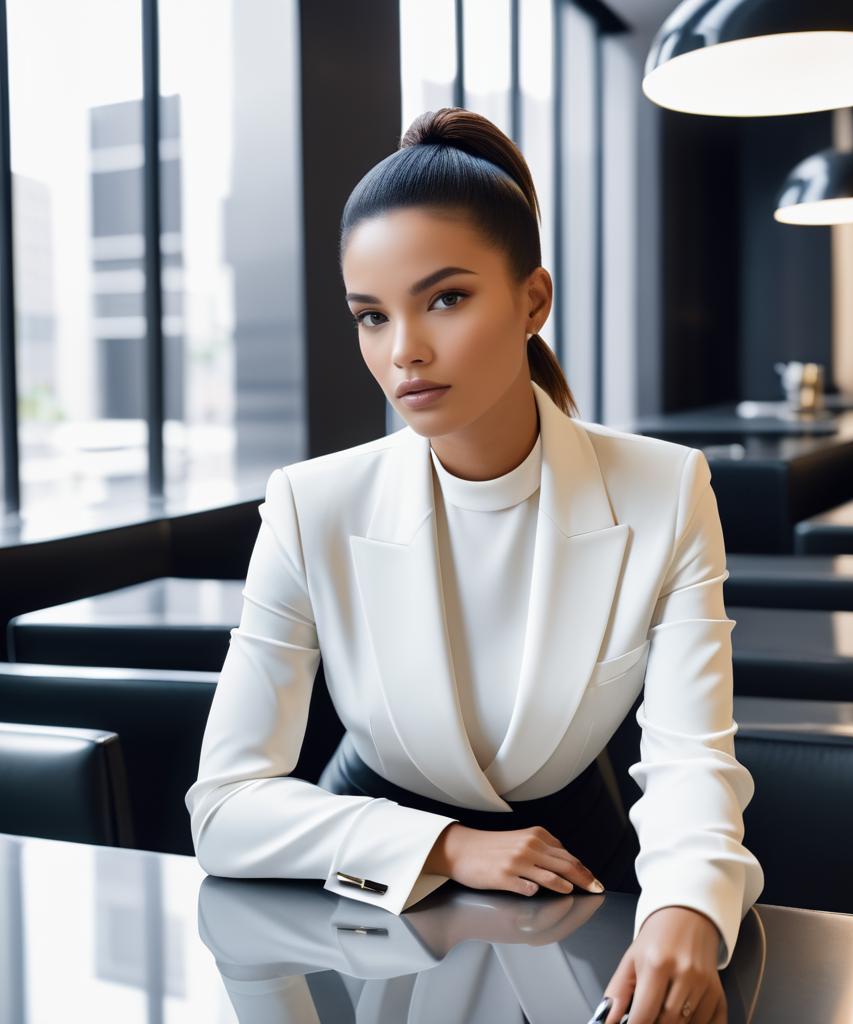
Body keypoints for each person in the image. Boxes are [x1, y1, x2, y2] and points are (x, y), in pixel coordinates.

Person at [185, 106, 764, 1024]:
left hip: (580, 877)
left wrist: (688, 904)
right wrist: (441, 847)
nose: (403, 349)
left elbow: (692, 755)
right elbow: (222, 809)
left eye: (445, 298)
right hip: (365, 899)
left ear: (533, 301)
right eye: (371, 316)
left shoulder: (664, 488)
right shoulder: (312, 502)